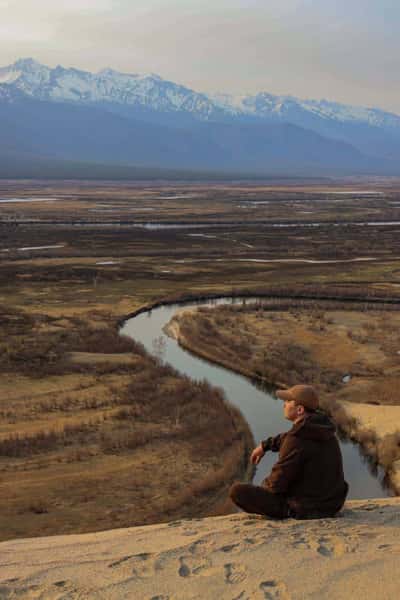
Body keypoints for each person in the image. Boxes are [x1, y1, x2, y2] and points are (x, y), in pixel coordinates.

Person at [229, 384, 349, 519]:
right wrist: (265, 446)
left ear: (299, 410)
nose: (284, 405)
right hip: (333, 503)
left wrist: (262, 488)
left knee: (237, 491)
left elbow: (275, 485)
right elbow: (287, 437)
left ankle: (288, 512)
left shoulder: (297, 440)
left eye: (287, 401)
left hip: (306, 508)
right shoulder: (323, 429)